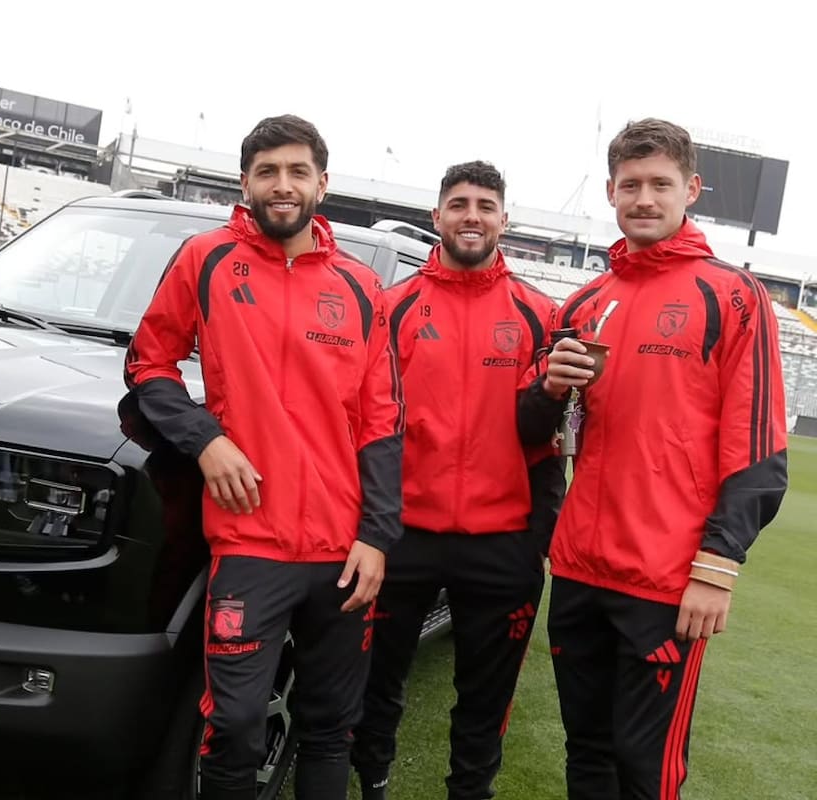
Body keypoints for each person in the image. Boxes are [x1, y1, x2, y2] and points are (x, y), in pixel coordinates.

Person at [123, 114, 405, 800]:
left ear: (322, 183)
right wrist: (206, 439)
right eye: (268, 172)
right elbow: (149, 365)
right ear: (245, 182)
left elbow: (381, 421)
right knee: (238, 723)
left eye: (297, 171)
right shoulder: (208, 258)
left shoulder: (362, 287)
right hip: (250, 540)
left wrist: (376, 536)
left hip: (342, 552)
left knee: (329, 725)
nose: (283, 185)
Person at [521, 117, 789, 799]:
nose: (644, 198)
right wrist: (551, 388)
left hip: (665, 579)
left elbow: (757, 452)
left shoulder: (733, 296)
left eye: (659, 184)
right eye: (630, 184)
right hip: (580, 567)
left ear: (690, 189)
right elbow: (533, 430)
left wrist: (717, 567)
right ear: (610, 191)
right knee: (587, 751)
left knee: (646, 765)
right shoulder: (584, 302)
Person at [350, 161, 566, 800]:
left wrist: (539, 535)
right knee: (378, 683)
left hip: (503, 544)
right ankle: (373, 786)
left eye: (486, 205)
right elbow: (366, 423)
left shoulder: (539, 314)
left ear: (505, 219)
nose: (473, 215)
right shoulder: (393, 309)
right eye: (459, 203)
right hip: (402, 534)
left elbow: (551, 435)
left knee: (484, 698)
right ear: (436, 216)